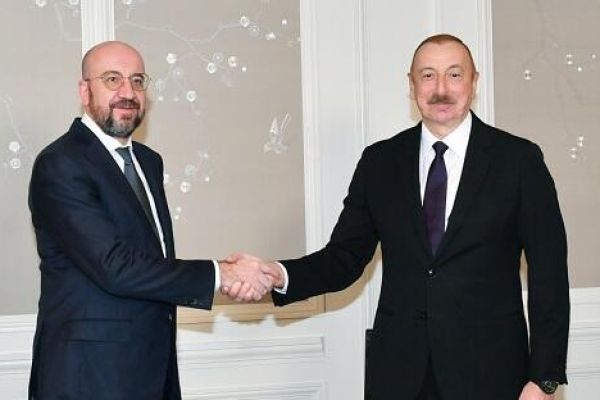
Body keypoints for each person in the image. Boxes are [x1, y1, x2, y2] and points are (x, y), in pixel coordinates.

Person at [229, 34, 570, 399]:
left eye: (454, 75)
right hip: (398, 375)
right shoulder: (379, 162)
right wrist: (279, 274)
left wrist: (544, 379)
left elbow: (549, 274)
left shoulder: (519, 161)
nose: (441, 89)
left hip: (492, 376)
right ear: (411, 85)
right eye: (428, 75)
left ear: (474, 82)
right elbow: (344, 257)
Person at [27, 41, 272, 400]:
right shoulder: (61, 163)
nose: (128, 93)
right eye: (112, 79)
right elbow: (115, 266)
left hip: (152, 367)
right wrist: (222, 274)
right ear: (84, 90)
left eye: (138, 81)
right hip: (88, 376)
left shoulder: (148, 161)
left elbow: (152, 262)